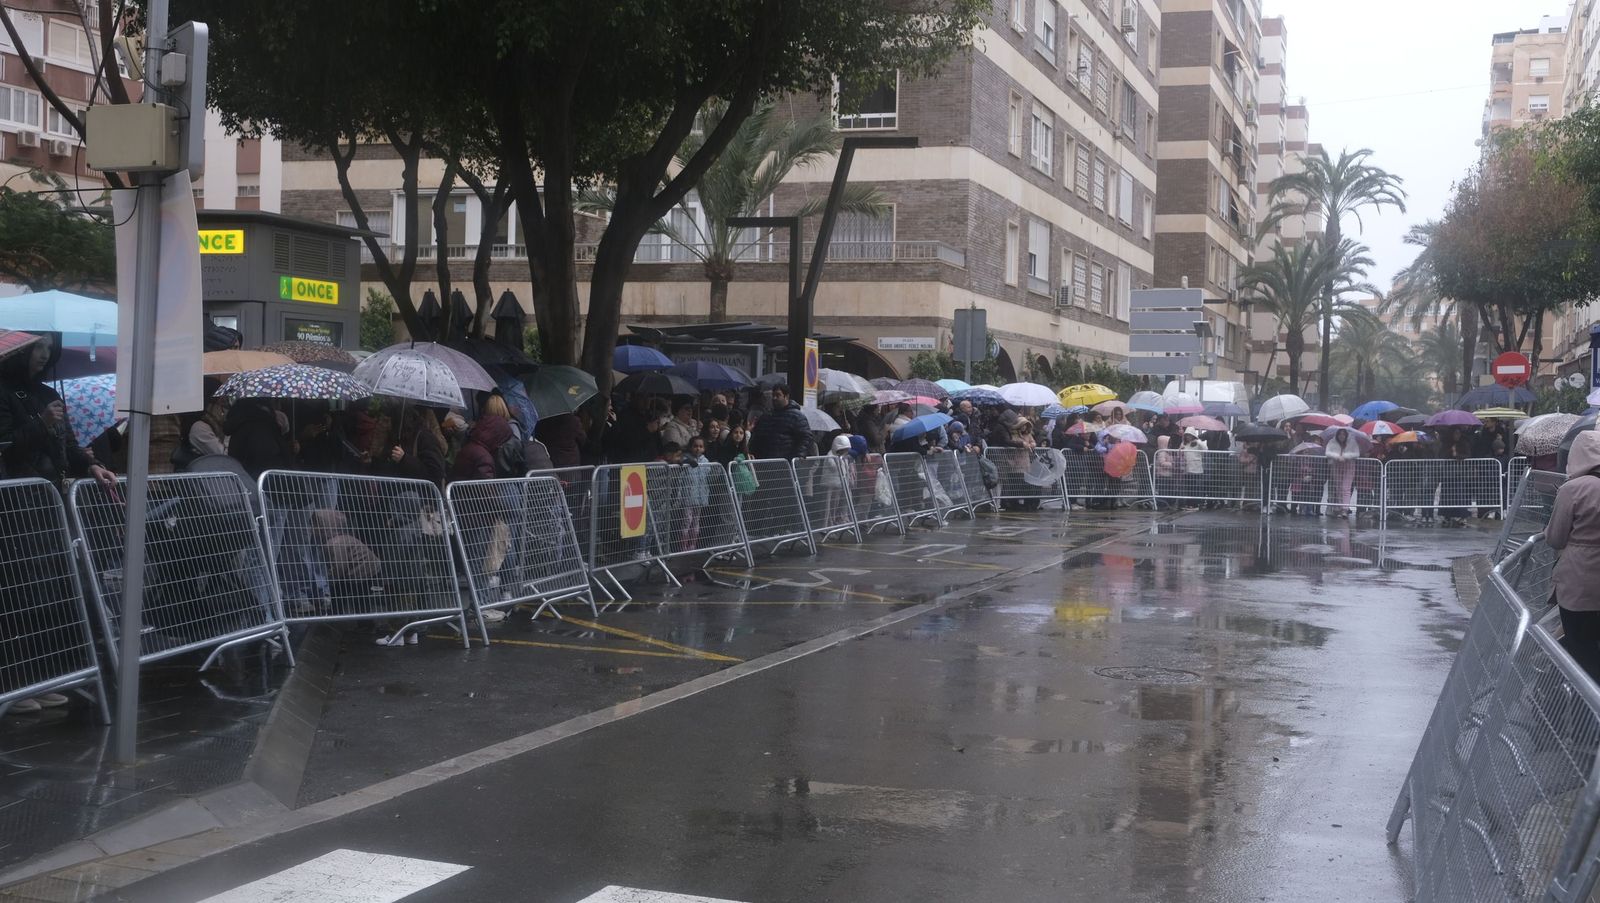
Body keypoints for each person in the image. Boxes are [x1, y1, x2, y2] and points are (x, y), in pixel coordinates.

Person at [0, 336, 117, 491]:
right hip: (17, 495)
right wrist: (42, 423)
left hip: (54, 490)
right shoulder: (4, 392)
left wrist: (92, 466)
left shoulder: (50, 394)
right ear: (22, 349)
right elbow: (5, 445)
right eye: (39, 347)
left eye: (49, 348)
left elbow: (68, 445)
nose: (45, 355)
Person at [1548, 430, 1600, 681]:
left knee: (1581, 648)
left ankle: (1585, 712)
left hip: (1578, 582)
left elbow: (1555, 538)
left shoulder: (1573, 489)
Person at [450, 406, 520, 482]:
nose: (500, 445)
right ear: (497, 437)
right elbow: (485, 489)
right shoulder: (484, 459)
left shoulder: (470, 446)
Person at [749, 383, 810, 460]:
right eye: (773, 395)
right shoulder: (766, 417)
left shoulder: (797, 417)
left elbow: (805, 437)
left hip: (785, 464)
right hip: (765, 463)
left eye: (778, 395)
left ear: (786, 396)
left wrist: (800, 454)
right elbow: (757, 437)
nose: (774, 398)